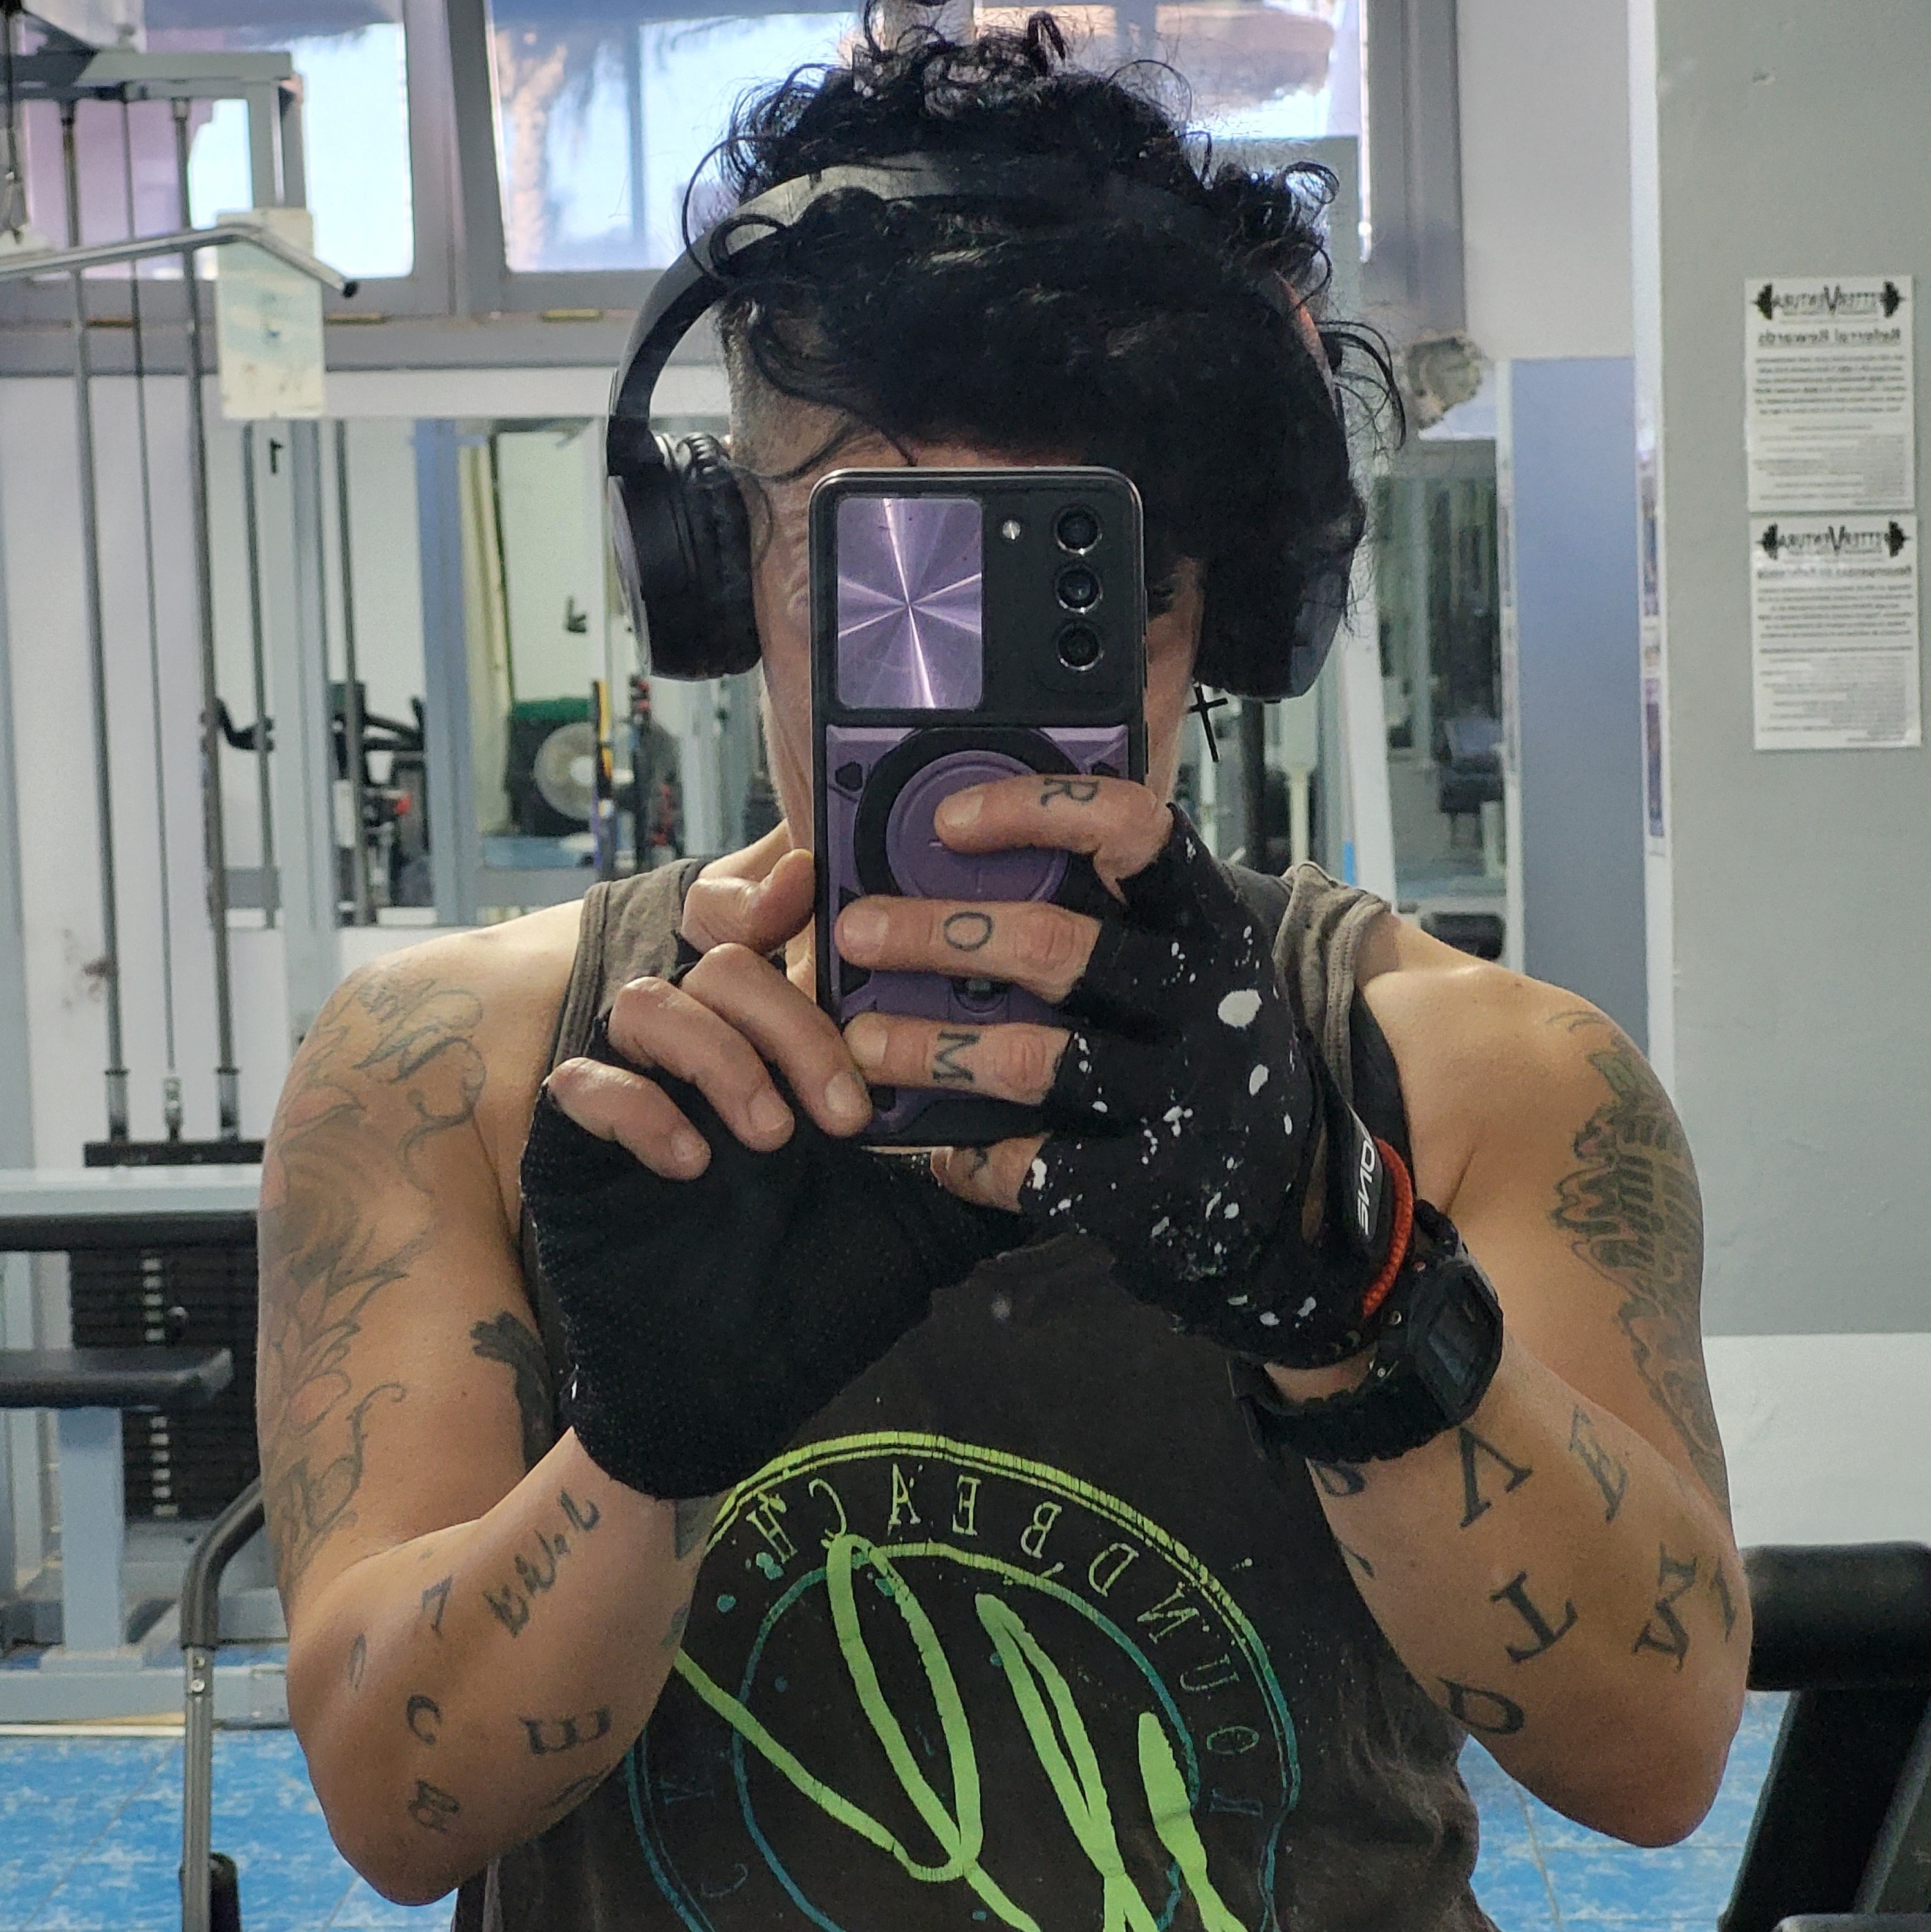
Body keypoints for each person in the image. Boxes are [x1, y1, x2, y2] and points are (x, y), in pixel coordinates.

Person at [256, 19, 1748, 1931]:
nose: (963, 697)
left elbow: (1655, 1758)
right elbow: (398, 1809)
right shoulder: (460, 1067)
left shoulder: (1478, 1075)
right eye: (884, 581)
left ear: (1208, 613)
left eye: (1063, 593)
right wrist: (633, 1459)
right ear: (727, 580)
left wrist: (1346, 1282)